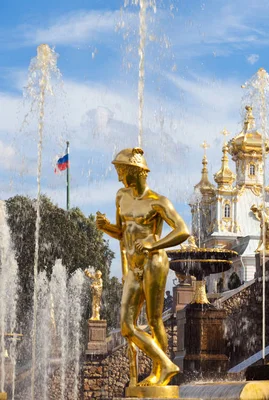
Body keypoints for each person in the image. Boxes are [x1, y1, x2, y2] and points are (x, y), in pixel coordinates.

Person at [96, 147, 190, 387]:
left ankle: (160, 372)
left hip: (154, 262)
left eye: (121, 170)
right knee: (127, 326)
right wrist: (105, 226)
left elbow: (182, 231)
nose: (119, 176)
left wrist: (154, 245)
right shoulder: (121, 196)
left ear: (134, 171)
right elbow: (122, 232)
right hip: (133, 267)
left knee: (155, 318)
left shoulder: (157, 201)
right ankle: (166, 363)